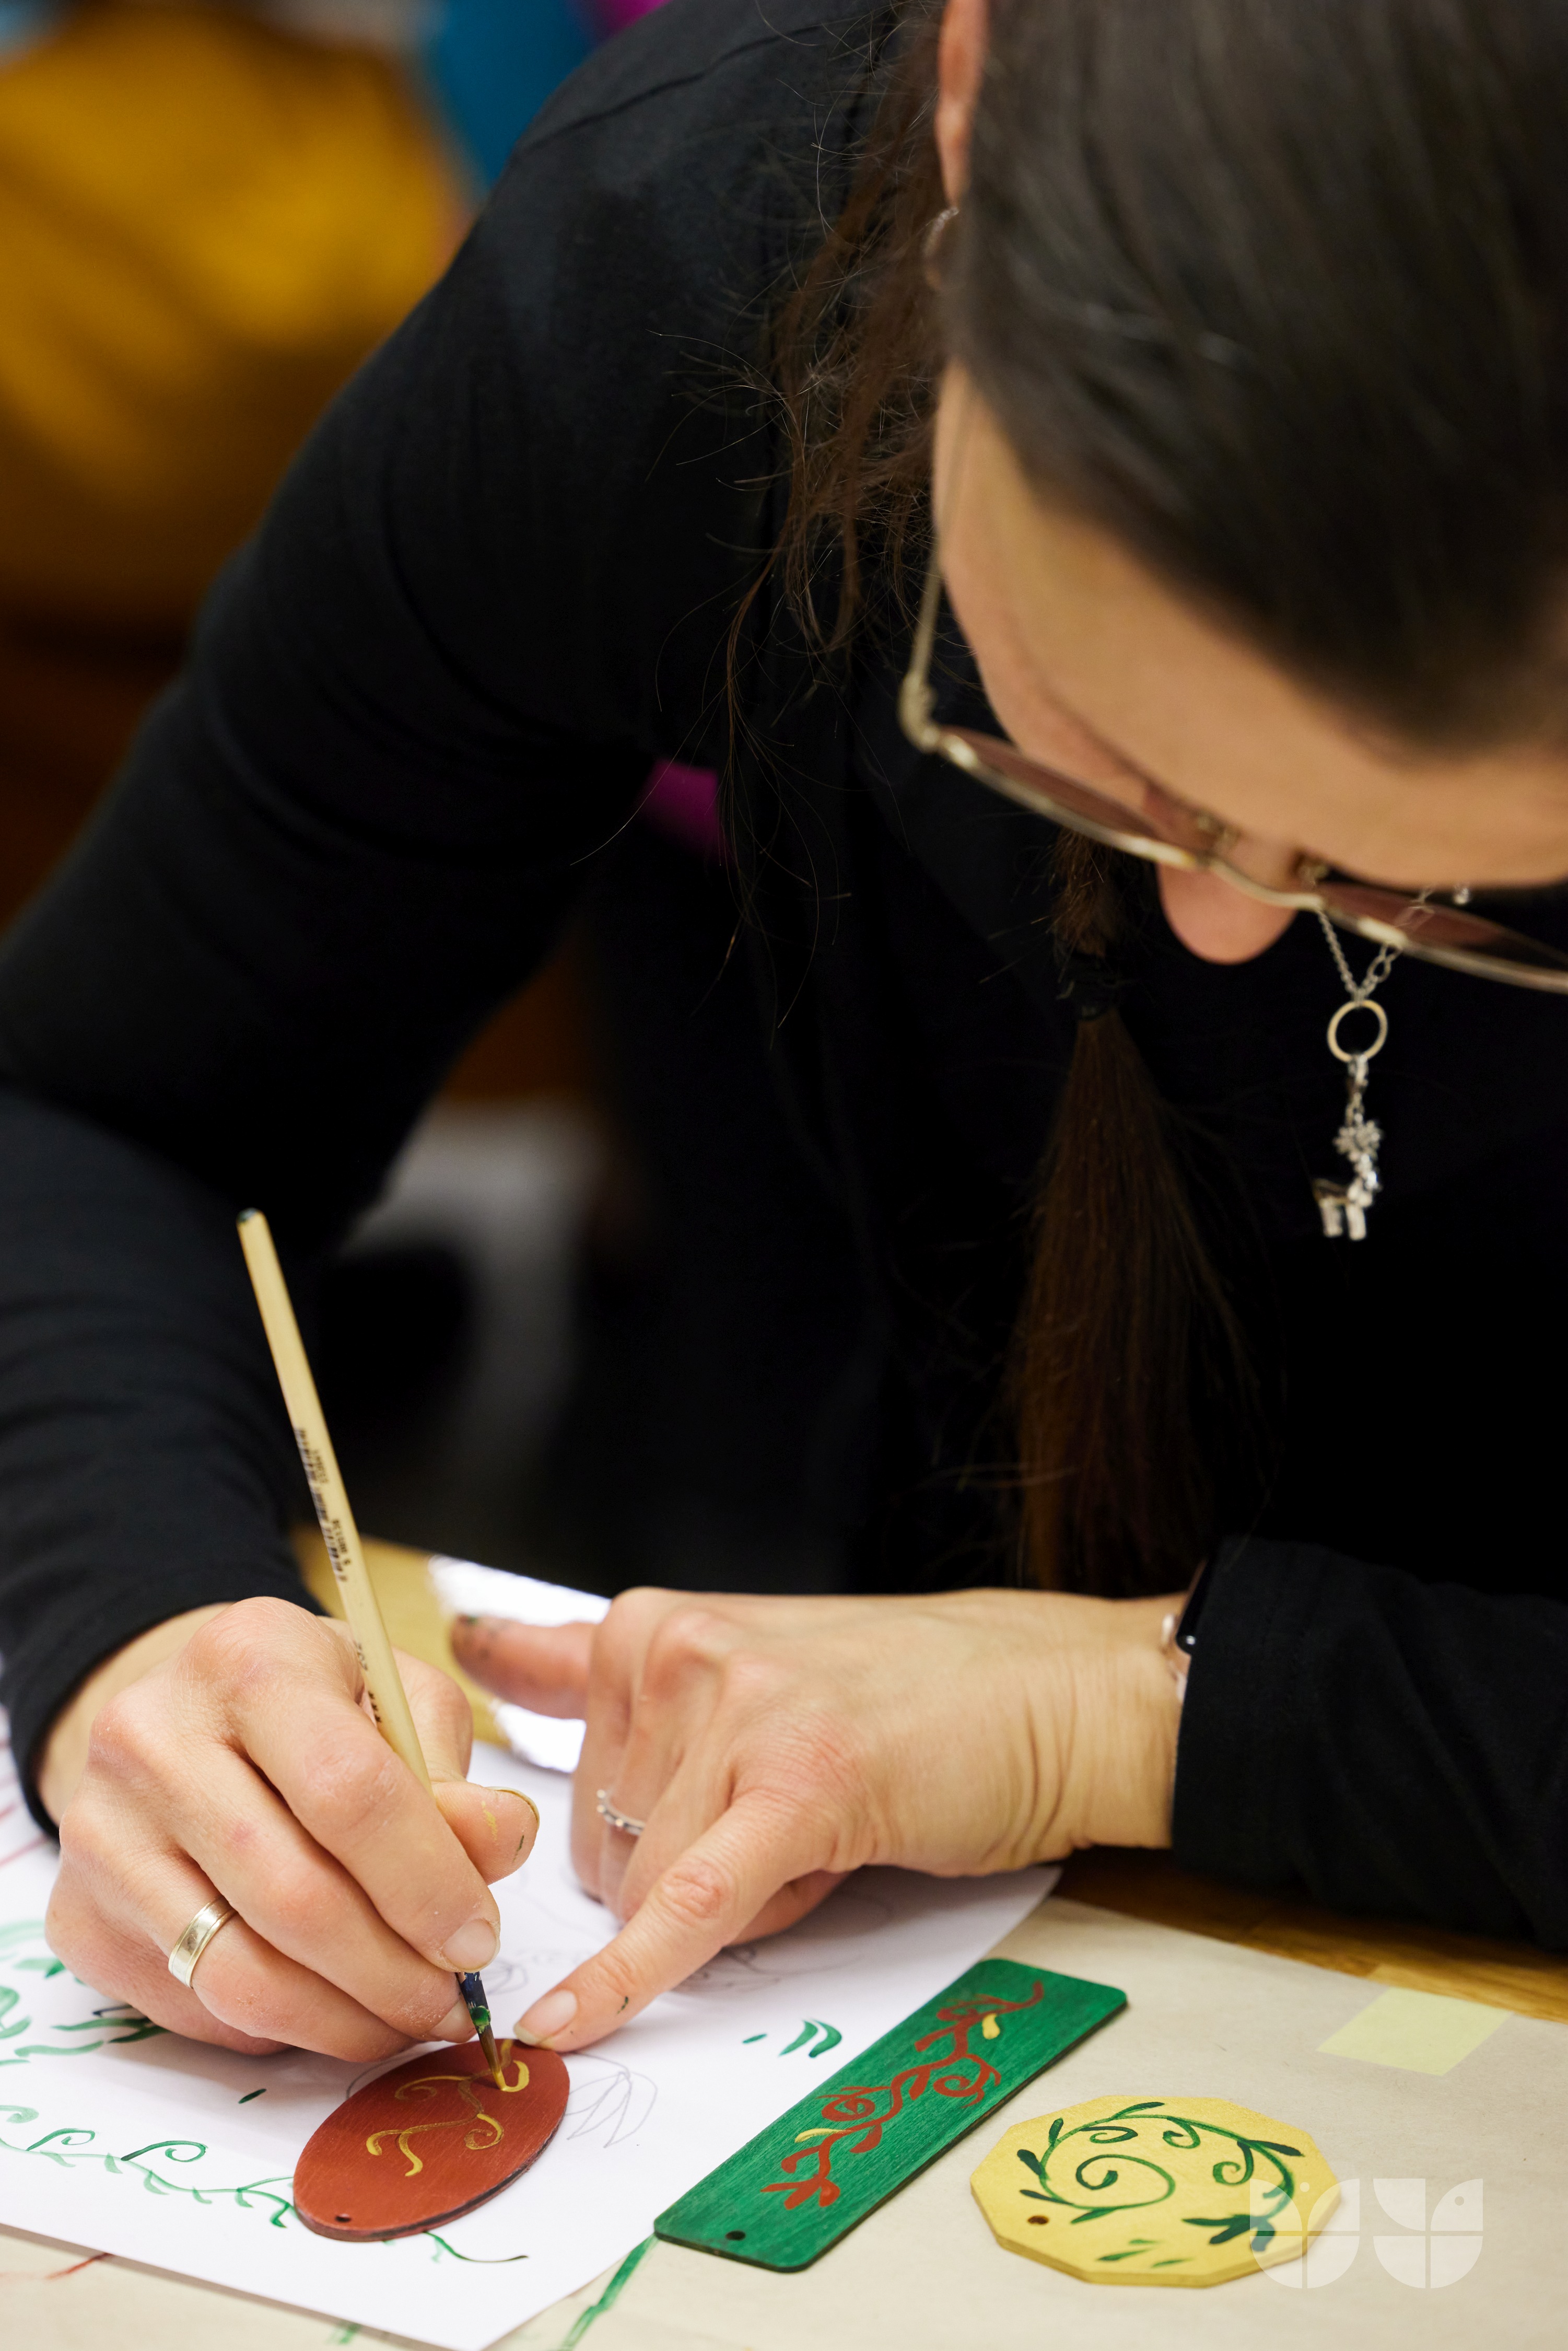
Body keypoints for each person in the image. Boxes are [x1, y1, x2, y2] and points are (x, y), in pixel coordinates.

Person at [5, 0, 1568, 2069]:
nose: (1218, 925)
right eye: (1093, 758)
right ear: (970, 107)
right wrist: (130, 1623)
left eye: (1437, 885)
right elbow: (100, 1113)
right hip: (961, 1879)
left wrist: (1135, 1709)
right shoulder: (693, 269)